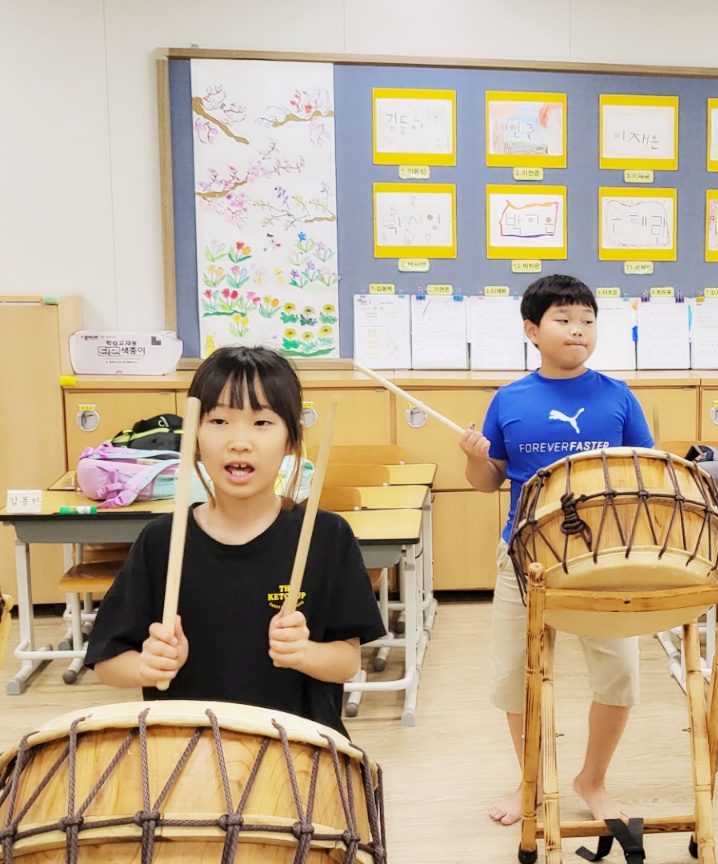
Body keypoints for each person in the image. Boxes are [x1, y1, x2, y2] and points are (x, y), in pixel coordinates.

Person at [85, 346, 386, 737]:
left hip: (298, 751)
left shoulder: (326, 536)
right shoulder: (162, 541)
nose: (239, 441)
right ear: (195, 435)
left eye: (262, 422)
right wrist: (147, 665)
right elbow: (107, 662)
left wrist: (305, 653)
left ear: (292, 439)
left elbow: (347, 662)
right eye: (219, 420)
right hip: (190, 753)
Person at [458, 274, 654, 827]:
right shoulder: (509, 399)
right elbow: (487, 481)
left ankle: (592, 779)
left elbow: (648, 473)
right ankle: (532, 780)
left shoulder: (618, 396)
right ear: (532, 330)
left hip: (604, 561)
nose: (578, 330)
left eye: (588, 321)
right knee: (515, 677)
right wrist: (473, 456)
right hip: (525, 558)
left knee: (620, 676)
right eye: (564, 320)